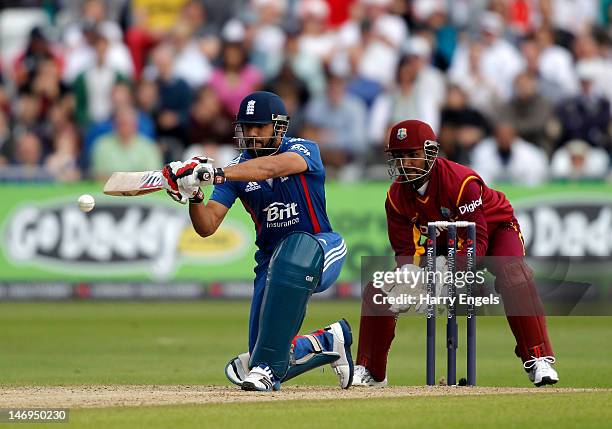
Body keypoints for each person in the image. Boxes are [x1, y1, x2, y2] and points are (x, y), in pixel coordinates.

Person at [160, 91, 353, 392]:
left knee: (293, 255)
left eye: (259, 126)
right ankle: (329, 340)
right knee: (265, 358)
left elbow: (270, 169)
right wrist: (194, 194)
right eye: (246, 127)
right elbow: (207, 226)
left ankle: (268, 365)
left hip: (320, 247)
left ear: (278, 127)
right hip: (271, 264)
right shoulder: (237, 169)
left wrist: (215, 174)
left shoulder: (304, 149)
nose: (251, 133)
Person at [353, 119, 559, 388]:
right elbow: (406, 251)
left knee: (514, 275)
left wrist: (447, 274)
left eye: (412, 155)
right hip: (441, 241)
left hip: (495, 231)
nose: (405, 163)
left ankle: (538, 358)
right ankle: (372, 371)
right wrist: (412, 279)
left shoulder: (461, 182)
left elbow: (479, 240)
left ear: (429, 153)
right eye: (399, 156)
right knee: (377, 290)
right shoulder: (395, 197)